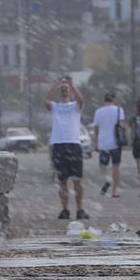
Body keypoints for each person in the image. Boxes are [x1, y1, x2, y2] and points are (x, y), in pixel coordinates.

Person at [45, 75, 89, 220]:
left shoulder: (76, 107)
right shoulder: (55, 108)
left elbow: (81, 100)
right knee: (62, 180)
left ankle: (80, 209)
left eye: (66, 88)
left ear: (70, 92)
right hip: (58, 144)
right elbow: (47, 100)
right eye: (62, 89)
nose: (64, 90)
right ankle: (65, 209)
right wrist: (56, 84)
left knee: (77, 180)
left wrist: (72, 84)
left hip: (73, 144)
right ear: (59, 91)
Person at [93, 92, 125, 197]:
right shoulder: (119, 110)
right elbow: (122, 126)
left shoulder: (98, 112)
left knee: (103, 166)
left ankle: (107, 180)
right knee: (116, 167)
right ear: (113, 100)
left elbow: (96, 129)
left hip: (103, 143)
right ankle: (115, 190)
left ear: (105, 100)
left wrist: (96, 142)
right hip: (115, 142)